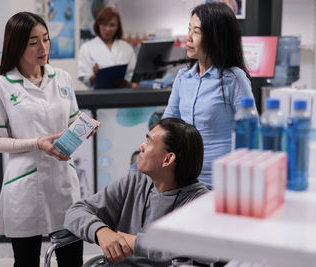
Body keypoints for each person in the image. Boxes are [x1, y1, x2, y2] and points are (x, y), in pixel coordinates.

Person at [0, 12, 97, 267]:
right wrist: (37, 143)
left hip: (63, 184)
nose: (43, 48)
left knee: (71, 261)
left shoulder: (62, 78)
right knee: (26, 261)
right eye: (33, 42)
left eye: (46, 39)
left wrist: (83, 128)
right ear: (16, 45)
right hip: (24, 187)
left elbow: (70, 121)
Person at [65, 118, 208, 266]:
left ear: (168, 159)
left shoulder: (200, 200)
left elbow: (207, 249)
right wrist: (101, 231)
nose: (141, 146)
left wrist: (136, 243)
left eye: (149, 142)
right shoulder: (133, 182)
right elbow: (75, 212)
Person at [162, 2, 256, 188]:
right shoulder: (183, 77)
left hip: (222, 181)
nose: (188, 37)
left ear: (216, 37)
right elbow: (168, 123)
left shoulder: (234, 79)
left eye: (196, 32)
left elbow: (251, 131)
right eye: (189, 29)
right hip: (186, 179)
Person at [78, 7, 136, 88]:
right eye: (104, 24)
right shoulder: (87, 48)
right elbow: (82, 77)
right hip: (98, 97)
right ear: (98, 25)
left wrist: (126, 82)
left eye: (112, 25)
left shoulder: (126, 48)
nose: (108, 29)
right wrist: (95, 76)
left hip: (123, 96)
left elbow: (133, 75)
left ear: (118, 27)